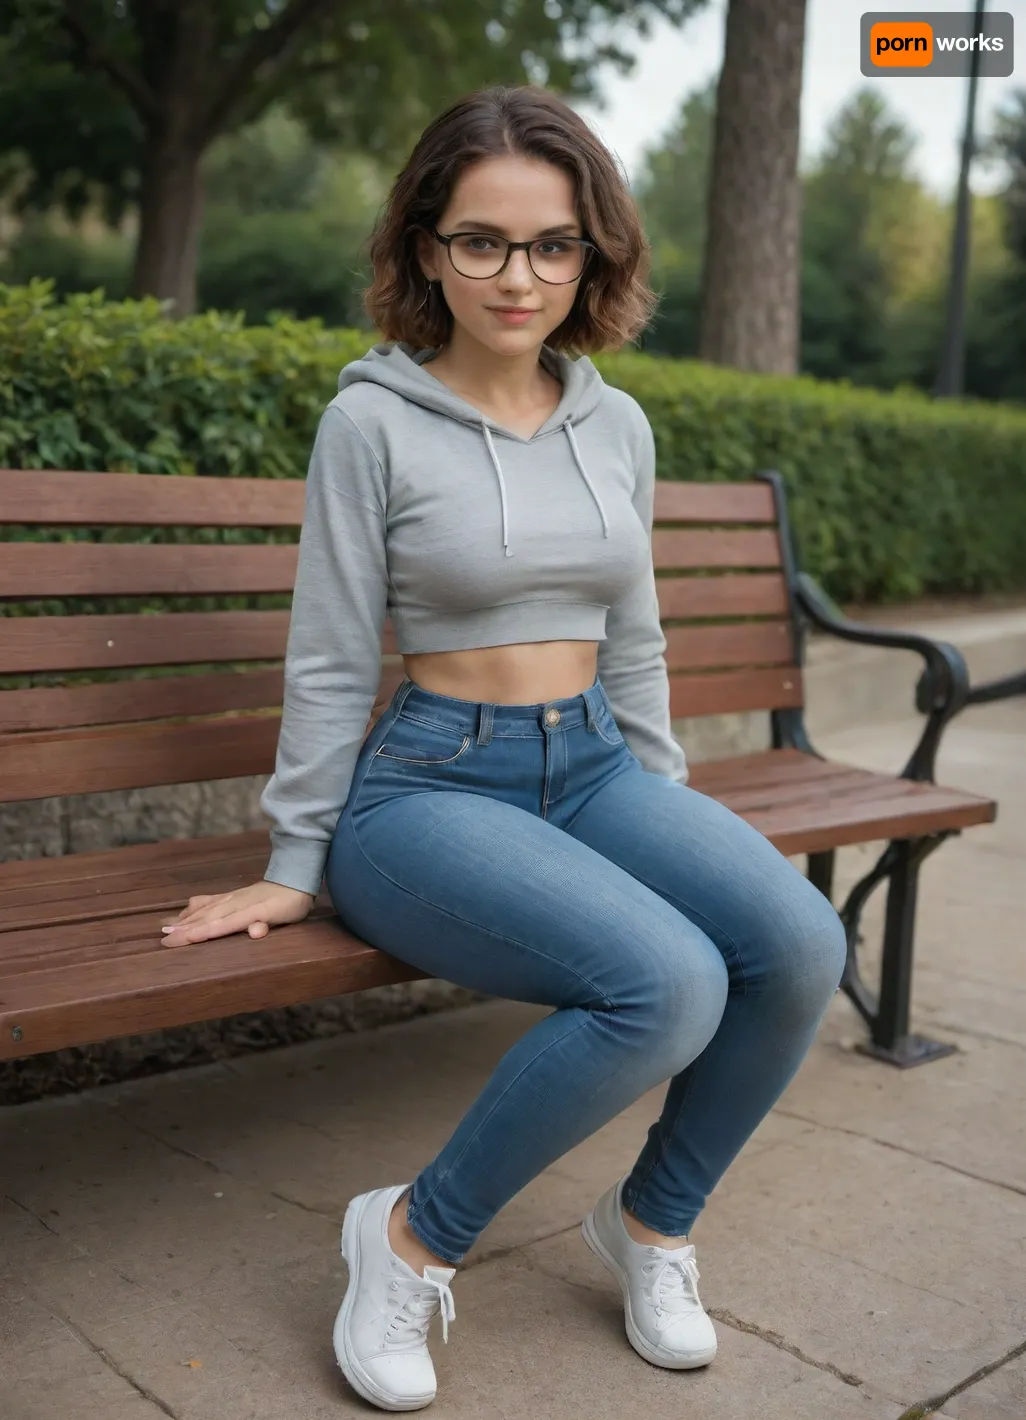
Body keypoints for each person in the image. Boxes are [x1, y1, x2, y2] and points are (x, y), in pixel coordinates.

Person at [161, 84, 846, 1414]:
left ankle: (649, 1224)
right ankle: (409, 1239)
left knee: (795, 943)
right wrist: (294, 858)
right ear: (425, 246)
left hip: (593, 765)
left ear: (592, 255)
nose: (516, 275)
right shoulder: (371, 420)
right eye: (479, 240)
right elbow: (331, 653)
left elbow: (633, 634)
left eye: (550, 244)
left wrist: (673, 817)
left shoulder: (615, 424)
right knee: (663, 986)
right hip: (427, 786)